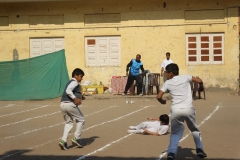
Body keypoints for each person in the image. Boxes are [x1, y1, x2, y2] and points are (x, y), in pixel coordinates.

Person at [156, 63, 207, 160]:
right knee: (194, 129)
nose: (166, 75)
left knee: (175, 133)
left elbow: (158, 96)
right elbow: (199, 80)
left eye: (166, 73)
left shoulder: (168, 83)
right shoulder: (185, 77)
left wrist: (162, 101)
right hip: (188, 109)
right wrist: (201, 87)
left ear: (171, 73)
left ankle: (171, 153)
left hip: (176, 110)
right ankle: (199, 149)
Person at [58, 68, 85, 150]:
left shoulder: (70, 82)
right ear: (75, 76)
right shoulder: (74, 82)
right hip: (69, 104)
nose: (81, 78)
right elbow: (68, 90)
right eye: (80, 76)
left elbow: (71, 91)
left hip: (63, 104)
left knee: (68, 122)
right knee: (81, 119)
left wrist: (80, 97)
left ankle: (63, 141)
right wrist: (75, 99)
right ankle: (76, 137)